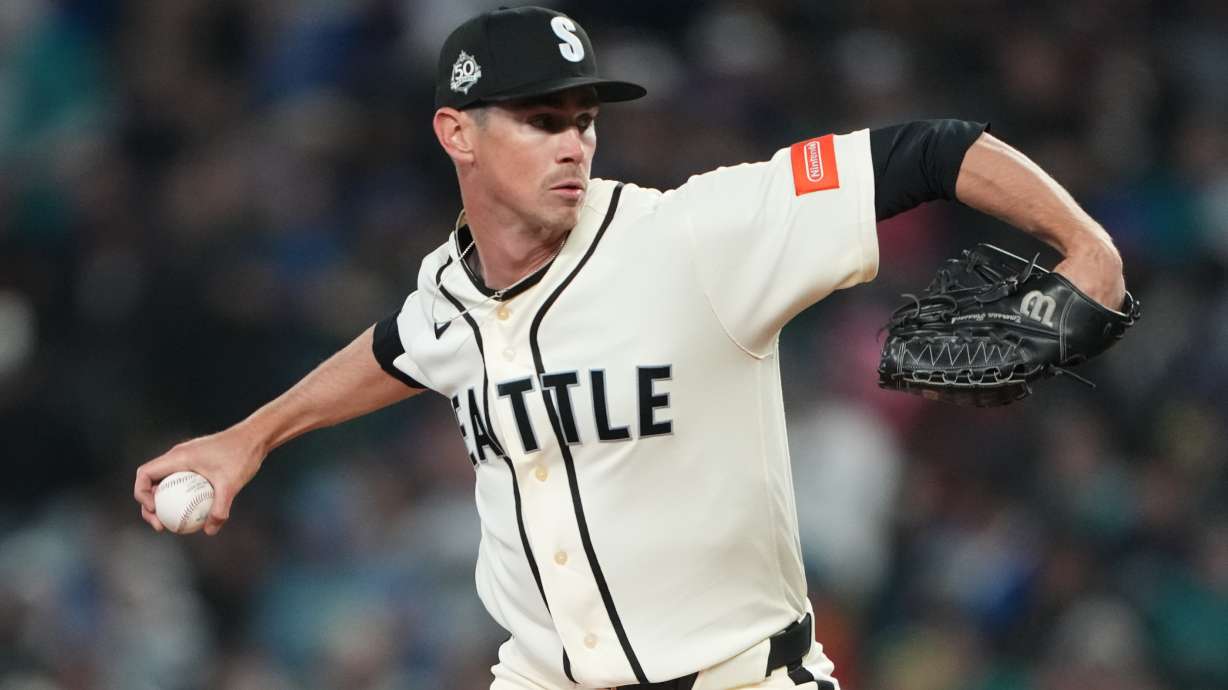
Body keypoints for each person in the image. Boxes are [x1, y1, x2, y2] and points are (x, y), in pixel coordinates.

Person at [134, 6, 1127, 689]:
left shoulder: (694, 235)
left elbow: (931, 149)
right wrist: (251, 439)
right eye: (539, 121)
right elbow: (403, 343)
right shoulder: (454, 286)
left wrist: (1086, 251)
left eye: (582, 120)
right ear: (457, 133)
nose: (573, 142)